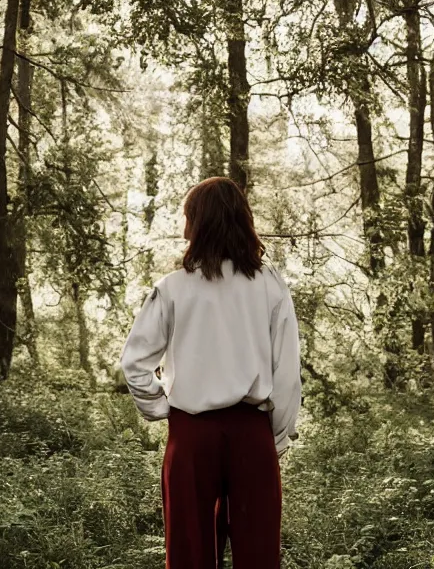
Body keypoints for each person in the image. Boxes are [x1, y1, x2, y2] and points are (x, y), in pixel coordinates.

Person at [119, 176, 302, 569]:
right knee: (259, 556)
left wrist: (162, 409)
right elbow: (286, 372)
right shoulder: (270, 285)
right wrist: (277, 437)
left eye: (188, 216)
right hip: (252, 434)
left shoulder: (172, 288)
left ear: (199, 223)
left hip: (191, 435)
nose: (183, 227)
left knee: (189, 554)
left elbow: (135, 363)